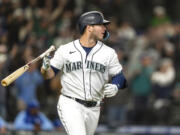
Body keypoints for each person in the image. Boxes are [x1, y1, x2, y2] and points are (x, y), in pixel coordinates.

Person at [41, 11, 127, 135]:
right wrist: (45, 68)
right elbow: (49, 74)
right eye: (101, 25)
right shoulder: (65, 49)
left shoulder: (108, 53)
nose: (104, 28)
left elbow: (120, 76)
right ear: (89, 27)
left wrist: (115, 86)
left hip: (94, 107)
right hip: (70, 103)